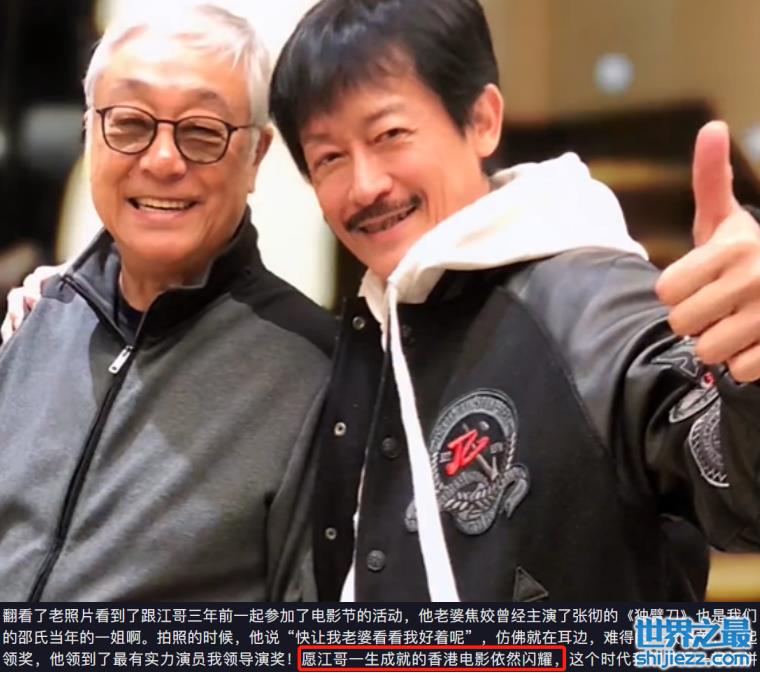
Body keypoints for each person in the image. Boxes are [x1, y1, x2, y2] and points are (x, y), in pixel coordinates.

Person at [268, 0, 760, 600]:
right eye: (329, 158)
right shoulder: (365, 334)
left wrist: (752, 368)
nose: (366, 185)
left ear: (482, 120)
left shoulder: (590, 301)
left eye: (390, 134)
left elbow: (741, 492)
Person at [0, 3, 335, 600]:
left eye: (202, 132)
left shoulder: (316, 371)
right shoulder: (38, 317)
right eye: (129, 123)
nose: (161, 160)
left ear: (256, 156)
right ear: (89, 132)